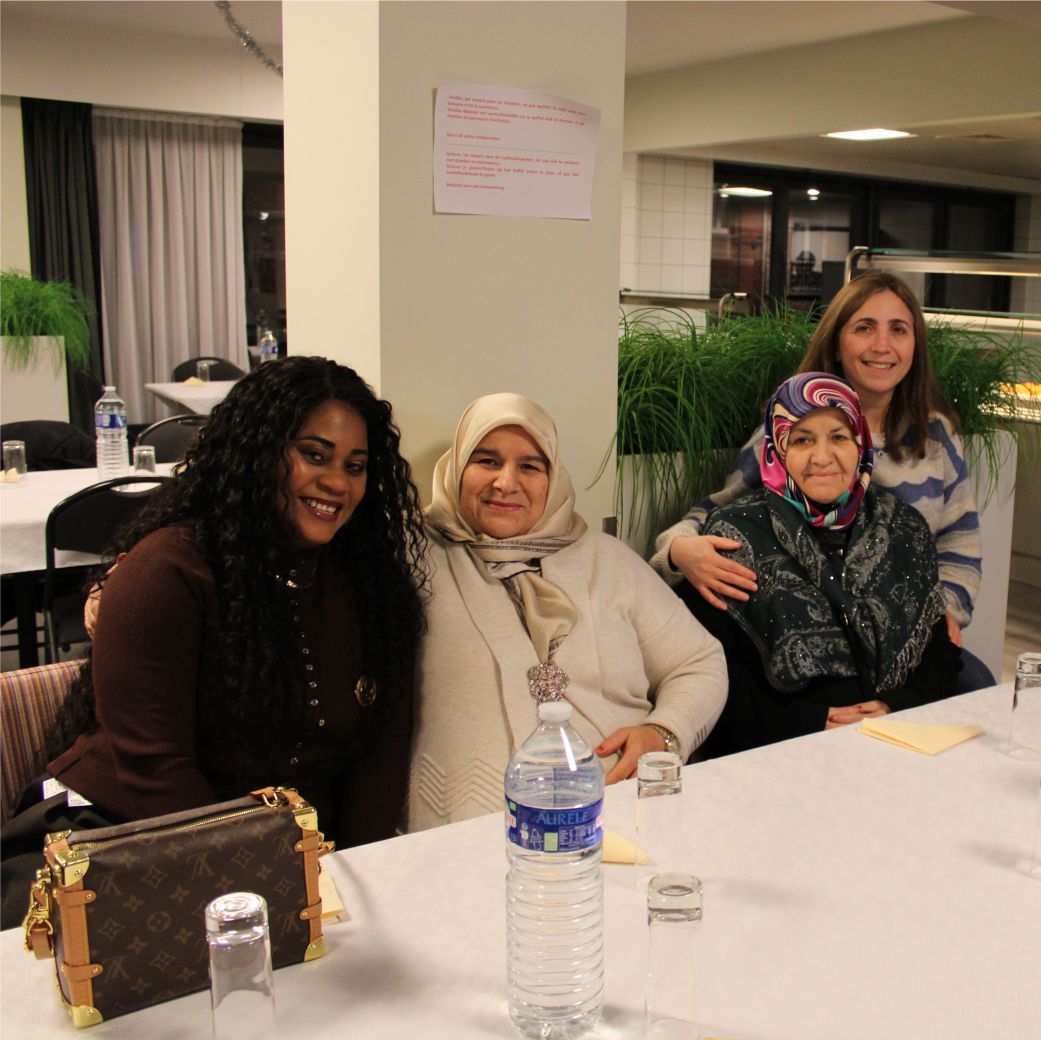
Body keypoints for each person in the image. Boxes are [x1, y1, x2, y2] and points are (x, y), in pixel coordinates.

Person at [3, 357, 428, 925]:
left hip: (292, 867)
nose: (337, 482)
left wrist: (362, 880)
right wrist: (258, 887)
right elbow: (156, 769)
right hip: (119, 840)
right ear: (258, 452)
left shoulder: (371, 586)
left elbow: (381, 750)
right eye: (314, 454)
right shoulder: (168, 571)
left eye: (355, 466)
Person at [410, 393, 725, 831]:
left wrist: (666, 731)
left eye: (529, 466)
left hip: (622, 815)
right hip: (468, 832)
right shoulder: (413, 558)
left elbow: (699, 662)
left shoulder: (606, 560)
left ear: (552, 476)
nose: (506, 482)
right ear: (457, 466)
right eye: (486, 461)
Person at [650, 270, 984, 667]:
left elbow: (960, 541)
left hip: (904, 635)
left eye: (898, 329)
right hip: (812, 643)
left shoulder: (935, 432)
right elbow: (721, 513)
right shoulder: (786, 426)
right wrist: (678, 550)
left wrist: (940, 614)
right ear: (837, 343)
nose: (882, 345)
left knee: (975, 683)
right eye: (864, 328)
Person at [682, 373, 962, 756]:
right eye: (802, 440)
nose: (822, 457)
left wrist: (893, 706)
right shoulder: (736, 536)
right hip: (781, 748)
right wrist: (811, 722)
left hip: (896, 735)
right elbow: (711, 673)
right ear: (776, 449)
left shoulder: (902, 528)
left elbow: (938, 651)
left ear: (860, 444)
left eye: (839, 437)